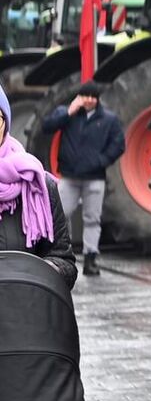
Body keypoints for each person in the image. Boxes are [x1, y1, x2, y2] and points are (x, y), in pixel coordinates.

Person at [40, 90, 124, 278]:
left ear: (97, 99)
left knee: (92, 219)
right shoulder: (68, 115)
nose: (88, 100)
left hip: (94, 178)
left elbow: (118, 143)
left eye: (91, 96)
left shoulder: (108, 119)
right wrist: (68, 112)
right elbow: (46, 126)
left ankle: (90, 258)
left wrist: (102, 160)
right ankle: (59, 254)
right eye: (84, 96)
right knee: (58, 215)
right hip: (69, 177)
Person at [0, 86, 76, 286]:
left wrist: (45, 270)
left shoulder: (38, 185)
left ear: (5, 124)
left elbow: (64, 262)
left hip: (24, 309)